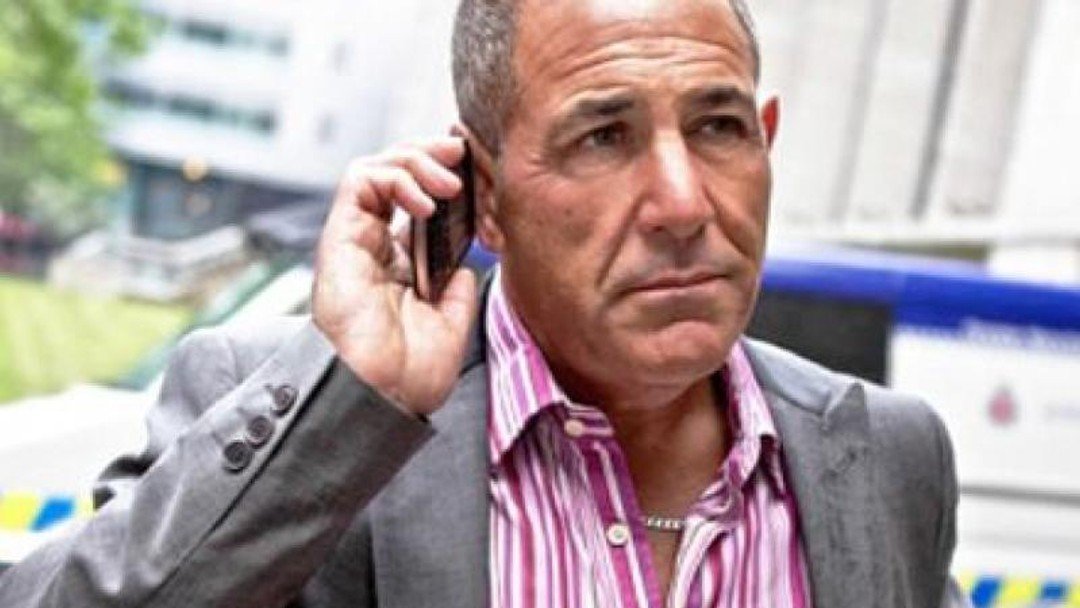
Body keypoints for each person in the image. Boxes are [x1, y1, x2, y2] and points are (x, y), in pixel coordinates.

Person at [0, 0, 971, 606]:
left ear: (766, 139)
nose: (683, 203)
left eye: (718, 127)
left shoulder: (886, 456)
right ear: (488, 196)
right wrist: (349, 398)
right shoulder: (302, 411)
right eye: (603, 137)